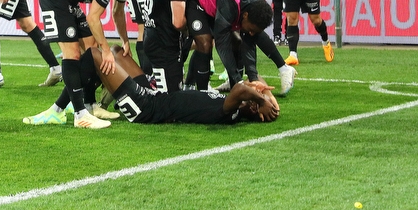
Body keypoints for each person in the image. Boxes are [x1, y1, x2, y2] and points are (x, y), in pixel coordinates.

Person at [23, 0, 160, 129]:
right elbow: (93, 17)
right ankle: (79, 115)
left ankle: (86, 106)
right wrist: (107, 50)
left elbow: (117, 13)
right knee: (72, 53)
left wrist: (125, 41)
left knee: (91, 53)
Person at [87, 46, 280, 125]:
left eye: (255, 107)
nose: (254, 100)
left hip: (145, 108)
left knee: (97, 55)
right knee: (117, 52)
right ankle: (111, 91)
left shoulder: (230, 113)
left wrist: (260, 99)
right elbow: (247, 86)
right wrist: (261, 91)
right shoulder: (237, 103)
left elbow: (240, 89)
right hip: (154, 94)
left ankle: (86, 104)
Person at [187, 0, 297, 97]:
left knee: (240, 39)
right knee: (205, 42)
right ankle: (200, 90)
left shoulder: (257, 4)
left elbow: (250, 40)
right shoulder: (229, 5)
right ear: (245, 15)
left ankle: (283, 69)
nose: (251, 32)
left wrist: (253, 78)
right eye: (251, 28)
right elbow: (222, 45)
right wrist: (239, 82)